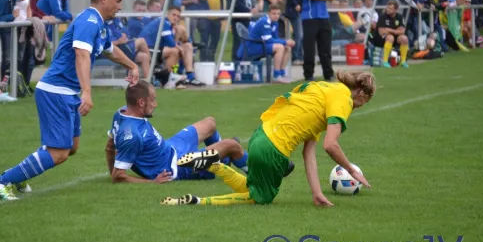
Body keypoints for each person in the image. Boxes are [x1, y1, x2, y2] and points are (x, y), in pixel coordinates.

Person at [0, 0, 140, 201]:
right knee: (58, 152)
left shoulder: (99, 24)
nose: (120, 6)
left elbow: (110, 51)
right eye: (118, 1)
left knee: (71, 147)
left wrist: (132, 66)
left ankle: (22, 175)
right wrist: (87, 92)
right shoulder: (89, 21)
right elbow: (81, 55)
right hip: (55, 91)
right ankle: (1, 181)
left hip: (67, 92)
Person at [161, 70, 375, 207]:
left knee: (252, 187)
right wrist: (351, 169)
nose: (357, 107)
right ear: (361, 94)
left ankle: (214, 165)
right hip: (275, 149)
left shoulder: (322, 89)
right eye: (362, 103)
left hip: (259, 136)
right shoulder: (344, 99)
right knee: (259, 198)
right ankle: (197, 201)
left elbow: (309, 152)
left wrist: (316, 193)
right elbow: (331, 145)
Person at [105, 80, 250, 183]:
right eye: (153, 100)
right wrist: (153, 182)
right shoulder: (132, 136)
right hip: (178, 166)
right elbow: (119, 176)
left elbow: (109, 147)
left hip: (172, 148)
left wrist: (112, 170)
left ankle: (223, 160)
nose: (155, 104)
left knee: (209, 123)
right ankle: (262, 177)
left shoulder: (121, 113)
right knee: (232, 145)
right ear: (141, 103)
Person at [238, 4, 294, 83]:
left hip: (261, 44)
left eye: (278, 14)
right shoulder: (264, 21)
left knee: (287, 47)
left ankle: (281, 73)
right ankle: (277, 76)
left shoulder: (275, 23)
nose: (276, 16)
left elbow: (275, 38)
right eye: (274, 14)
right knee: (280, 47)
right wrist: (285, 41)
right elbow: (268, 40)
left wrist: (285, 43)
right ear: (268, 13)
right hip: (252, 47)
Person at [300, 0, 335, 81]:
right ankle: (309, 75)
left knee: (325, 48)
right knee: (309, 48)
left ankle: (328, 74)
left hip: (324, 18)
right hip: (310, 18)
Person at [370, 1, 409, 68]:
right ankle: (385, 62)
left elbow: (402, 31)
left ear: (395, 10)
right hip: (380, 39)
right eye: (387, 8)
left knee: (404, 38)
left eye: (390, 8)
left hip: (394, 37)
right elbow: (381, 32)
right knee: (390, 37)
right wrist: (396, 31)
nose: (388, 10)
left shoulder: (399, 17)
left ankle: (403, 61)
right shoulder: (382, 16)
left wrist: (389, 30)